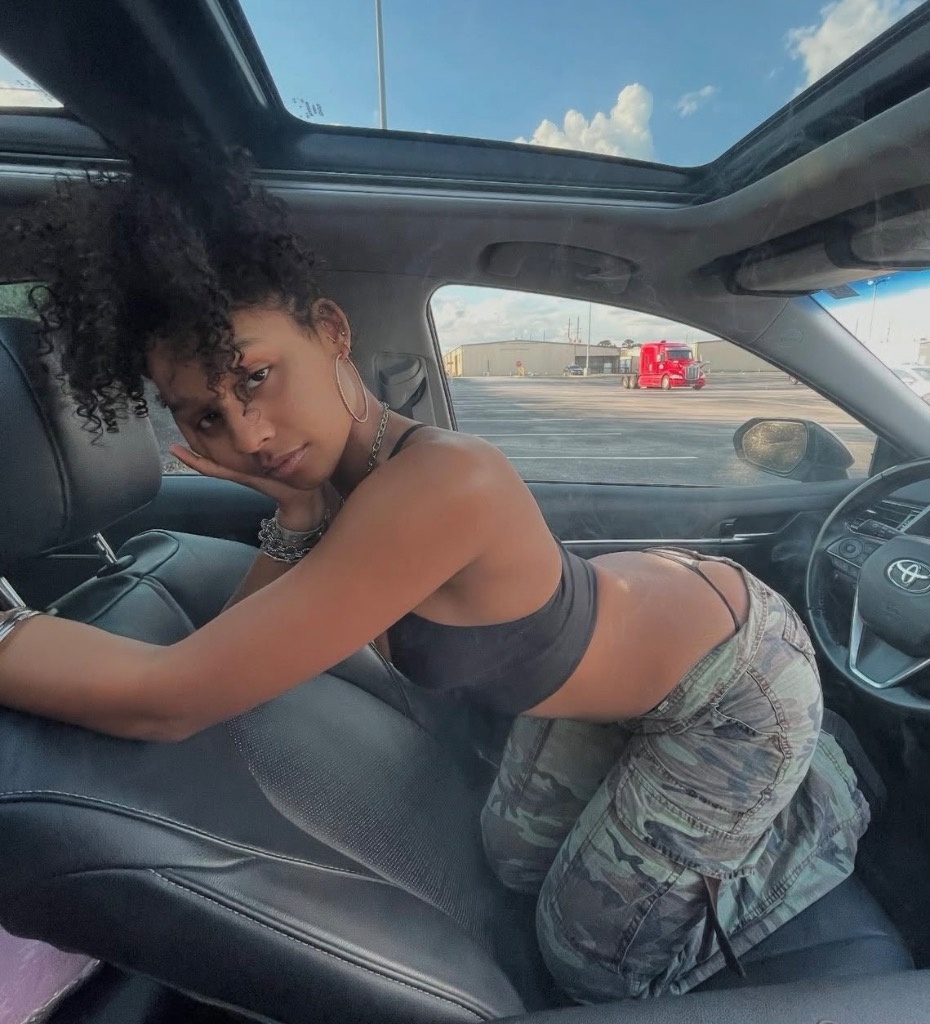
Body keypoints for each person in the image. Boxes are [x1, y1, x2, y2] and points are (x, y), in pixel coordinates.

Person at [0, 143, 869, 1002]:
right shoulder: (339, 486)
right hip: (630, 653)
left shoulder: (443, 483)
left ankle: (820, 807)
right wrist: (296, 513)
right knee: (512, 858)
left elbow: (172, 695)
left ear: (331, 332)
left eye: (257, 377)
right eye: (205, 417)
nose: (249, 434)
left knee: (593, 963)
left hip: (729, 687)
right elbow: (238, 658)